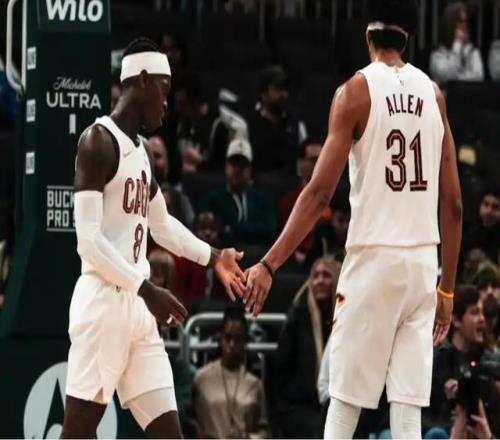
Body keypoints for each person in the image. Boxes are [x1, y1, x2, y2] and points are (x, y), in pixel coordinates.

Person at [244, 0, 463, 438]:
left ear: (367, 38)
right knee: (407, 410)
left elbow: (319, 193)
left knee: (343, 404)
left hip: (373, 260)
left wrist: (269, 263)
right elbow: (454, 204)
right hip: (422, 265)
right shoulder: (434, 95)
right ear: (407, 39)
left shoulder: (355, 92)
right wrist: (447, 289)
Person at [61, 37, 246, 439]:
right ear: (142, 80)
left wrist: (214, 256)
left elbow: (162, 225)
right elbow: (88, 240)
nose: (167, 101)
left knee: (168, 434)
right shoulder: (98, 141)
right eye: (164, 89)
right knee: (78, 432)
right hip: (104, 303)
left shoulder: (142, 150)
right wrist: (146, 289)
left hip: (138, 311)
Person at [274, 256, 341, 438]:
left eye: (326, 275)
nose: (320, 281)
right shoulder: (298, 319)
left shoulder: (344, 322)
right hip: (298, 406)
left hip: (333, 403)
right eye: (315, 276)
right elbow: (281, 372)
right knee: (319, 431)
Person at [193, 307, 270, 439]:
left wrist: (250, 438)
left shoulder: (254, 384)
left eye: (237, 339)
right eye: (227, 338)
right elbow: (190, 421)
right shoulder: (201, 378)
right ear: (220, 339)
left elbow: (264, 431)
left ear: (245, 341)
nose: (232, 344)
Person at [204, 138, 276, 245]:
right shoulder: (215, 198)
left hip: (259, 251)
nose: (238, 169)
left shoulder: (262, 198)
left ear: (250, 169)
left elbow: (269, 230)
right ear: (226, 167)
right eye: (234, 164)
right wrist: (252, 229)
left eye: (243, 165)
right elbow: (218, 232)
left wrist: (233, 228)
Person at [248, 65, 307, 173]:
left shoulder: (296, 124)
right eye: (278, 89)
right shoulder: (248, 123)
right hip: (258, 180)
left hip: (289, 181)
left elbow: (303, 159)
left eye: (285, 89)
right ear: (263, 92)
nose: (284, 94)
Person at [429, 2, 484, 85]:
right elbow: (443, 76)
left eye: (466, 21)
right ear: (450, 24)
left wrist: (459, 77)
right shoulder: (438, 54)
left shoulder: (471, 50)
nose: (464, 26)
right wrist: (456, 49)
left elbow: (479, 76)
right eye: (461, 21)